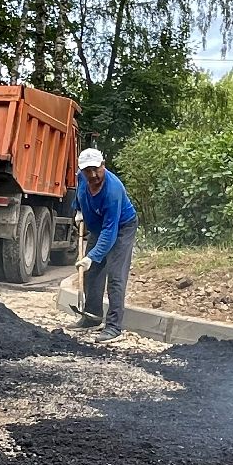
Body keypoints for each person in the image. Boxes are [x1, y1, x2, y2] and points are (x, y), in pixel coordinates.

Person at [72, 147, 138, 343]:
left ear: (103, 165)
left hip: (122, 227)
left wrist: (92, 256)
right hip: (98, 227)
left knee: (115, 276)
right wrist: (78, 210)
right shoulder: (82, 177)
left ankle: (114, 327)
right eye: (87, 170)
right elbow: (79, 192)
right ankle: (92, 317)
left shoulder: (113, 190)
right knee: (92, 272)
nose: (93, 175)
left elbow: (111, 231)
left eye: (96, 169)